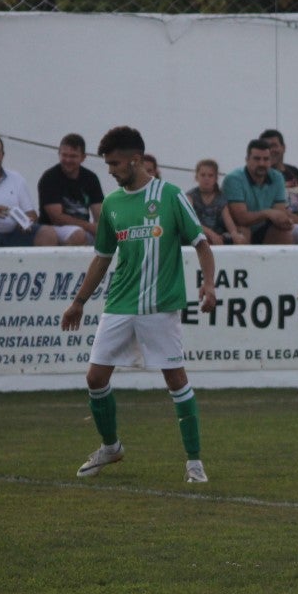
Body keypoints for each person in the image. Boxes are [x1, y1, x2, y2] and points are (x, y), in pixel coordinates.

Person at [62, 126, 217, 483]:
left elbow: (202, 244)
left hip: (160, 306)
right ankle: (111, 447)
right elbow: (102, 257)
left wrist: (208, 284)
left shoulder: (171, 196)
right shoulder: (113, 203)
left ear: (135, 160)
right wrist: (79, 302)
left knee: (175, 379)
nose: (111, 171)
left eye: (115, 163)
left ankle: (194, 462)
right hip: (119, 303)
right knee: (95, 377)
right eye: (108, 164)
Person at [223, 139, 298, 245]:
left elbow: (279, 213)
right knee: (244, 232)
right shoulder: (234, 179)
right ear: (247, 160)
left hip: (266, 226)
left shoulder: (278, 177)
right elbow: (241, 218)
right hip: (238, 228)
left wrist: (283, 220)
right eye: (257, 159)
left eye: (266, 159)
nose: (262, 163)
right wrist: (268, 213)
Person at [37, 133, 104, 246]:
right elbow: (57, 218)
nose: (68, 160)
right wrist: (91, 227)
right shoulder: (50, 178)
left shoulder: (90, 178)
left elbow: (100, 213)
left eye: (73, 156)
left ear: (83, 157)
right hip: (54, 229)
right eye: (64, 155)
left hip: (84, 228)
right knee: (78, 235)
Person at [186, 159, 241, 246]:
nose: (206, 178)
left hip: (218, 235)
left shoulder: (220, 198)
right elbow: (190, 221)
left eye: (210, 175)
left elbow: (228, 221)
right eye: (203, 175)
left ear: (216, 178)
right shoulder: (190, 196)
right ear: (196, 177)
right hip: (198, 233)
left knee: (240, 238)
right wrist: (210, 233)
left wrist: (235, 234)